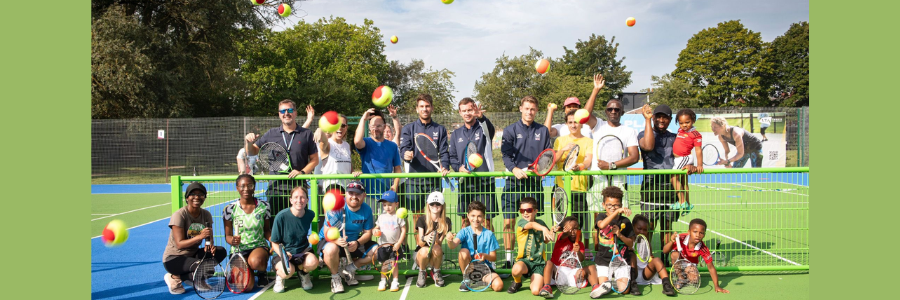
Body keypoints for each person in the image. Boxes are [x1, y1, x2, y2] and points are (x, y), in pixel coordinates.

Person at [637, 103, 698, 267]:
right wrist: (647, 120)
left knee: (666, 227)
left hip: (670, 190)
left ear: (670, 120)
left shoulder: (676, 137)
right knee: (648, 227)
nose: (661, 120)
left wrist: (691, 165)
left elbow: (685, 157)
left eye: (665, 117)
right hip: (651, 188)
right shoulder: (644, 133)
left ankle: (665, 259)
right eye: (658, 116)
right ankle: (646, 260)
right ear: (654, 117)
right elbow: (648, 146)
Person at [582, 75, 640, 245]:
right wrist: (596, 89)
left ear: (621, 112)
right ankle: (597, 251)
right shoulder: (598, 125)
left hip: (618, 180)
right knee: (598, 217)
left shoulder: (628, 131)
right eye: (610, 109)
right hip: (598, 178)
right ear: (606, 111)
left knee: (619, 217)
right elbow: (584, 115)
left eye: (617, 110)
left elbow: (634, 157)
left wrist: (611, 165)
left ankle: (619, 250)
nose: (613, 112)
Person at [500, 95, 552, 272]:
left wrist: (540, 169)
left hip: (534, 184)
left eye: (533, 109)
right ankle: (508, 259)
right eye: (526, 108)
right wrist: (514, 169)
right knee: (509, 223)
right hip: (513, 183)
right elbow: (505, 156)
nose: (529, 112)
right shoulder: (510, 130)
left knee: (533, 223)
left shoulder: (543, 131)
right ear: (521, 108)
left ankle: (533, 259)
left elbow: (547, 155)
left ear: (536, 111)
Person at [244, 99, 319, 214]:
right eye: (282, 111)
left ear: (295, 113)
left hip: (298, 190)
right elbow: (252, 152)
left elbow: (315, 160)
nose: (286, 113)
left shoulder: (306, 134)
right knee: (276, 226)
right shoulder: (271, 133)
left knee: (299, 227)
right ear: (279, 114)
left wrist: (302, 173)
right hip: (276, 190)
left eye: (289, 110)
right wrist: (249, 142)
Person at [162, 182, 227, 294]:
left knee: (220, 251)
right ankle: (174, 277)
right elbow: (179, 244)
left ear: (204, 198)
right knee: (206, 268)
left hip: (192, 254)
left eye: (200, 194)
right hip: (175, 257)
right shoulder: (180, 215)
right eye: (193, 194)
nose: (197, 197)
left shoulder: (206, 214)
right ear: (187, 198)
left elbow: (209, 237)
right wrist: (200, 237)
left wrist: (210, 246)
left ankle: (196, 278)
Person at [400, 94, 451, 225]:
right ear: (417, 109)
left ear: (432, 108)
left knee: (435, 215)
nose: (425, 109)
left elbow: (444, 152)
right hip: (414, 180)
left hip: (434, 180)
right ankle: (420, 245)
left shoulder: (440, 129)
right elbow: (403, 149)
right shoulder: (408, 129)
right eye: (421, 106)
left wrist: (444, 166)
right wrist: (406, 154)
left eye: (427, 106)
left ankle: (434, 244)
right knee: (417, 217)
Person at [318, 180, 378, 293]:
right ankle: (335, 278)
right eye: (351, 193)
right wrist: (336, 240)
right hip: (331, 241)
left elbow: (368, 233)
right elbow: (327, 232)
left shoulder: (367, 209)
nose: (354, 197)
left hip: (353, 242)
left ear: (364, 195)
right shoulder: (337, 207)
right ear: (346, 194)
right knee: (331, 249)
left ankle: (349, 270)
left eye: (358, 194)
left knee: (377, 252)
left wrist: (357, 243)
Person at [448, 97, 496, 230]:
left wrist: (482, 118)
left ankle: (488, 250)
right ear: (460, 112)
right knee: (465, 221)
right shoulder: (456, 134)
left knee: (486, 221)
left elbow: (490, 131)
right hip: (465, 183)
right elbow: (452, 156)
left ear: (474, 110)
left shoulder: (483, 129)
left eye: (470, 110)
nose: (467, 113)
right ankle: (467, 250)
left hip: (484, 182)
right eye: (464, 110)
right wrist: (459, 168)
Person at [552, 109, 594, 249]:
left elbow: (588, 161)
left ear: (581, 124)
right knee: (560, 226)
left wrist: (580, 166)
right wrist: (563, 149)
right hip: (561, 191)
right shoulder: (560, 140)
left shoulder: (588, 141)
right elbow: (554, 160)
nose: (573, 125)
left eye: (576, 122)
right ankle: (561, 252)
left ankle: (578, 253)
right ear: (566, 124)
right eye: (570, 122)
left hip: (579, 190)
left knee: (577, 226)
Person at [223, 174, 273, 287]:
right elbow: (228, 235)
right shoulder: (230, 209)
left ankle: (261, 272)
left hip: (258, 246)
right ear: (237, 188)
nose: (246, 189)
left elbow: (266, 230)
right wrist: (232, 240)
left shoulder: (264, 206)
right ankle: (246, 268)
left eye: (249, 185)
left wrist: (273, 242)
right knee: (245, 287)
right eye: (242, 186)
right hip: (239, 250)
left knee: (255, 261)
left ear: (254, 187)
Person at [447, 200, 504, 292]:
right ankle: (466, 278)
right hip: (469, 266)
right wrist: (449, 240)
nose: (476, 219)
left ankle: (480, 278)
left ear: (483, 217)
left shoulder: (489, 234)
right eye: (473, 215)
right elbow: (453, 245)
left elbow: (493, 257)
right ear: (468, 216)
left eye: (479, 216)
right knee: (463, 252)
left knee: (499, 286)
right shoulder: (464, 231)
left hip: (484, 268)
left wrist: (485, 256)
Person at [589, 186, 635, 298]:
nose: (613, 208)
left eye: (616, 205)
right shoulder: (601, 216)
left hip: (621, 260)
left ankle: (615, 278)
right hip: (603, 260)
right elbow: (601, 225)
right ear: (603, 205)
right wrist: (617, 212)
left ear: (621, 205)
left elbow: (631, 244)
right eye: (609, 205)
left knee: (624, 290)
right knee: (604, 286)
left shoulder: (626, 221)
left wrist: (619, 235)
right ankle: (607, 281)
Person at [271, 185, 319, 293]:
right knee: (287, 271)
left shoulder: (310, 214)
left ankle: (303, 273)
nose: (299, 200)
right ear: (291, 200)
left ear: (307, 200)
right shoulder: (281, 216)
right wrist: (283, 254)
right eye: (296, 197)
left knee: (313, 262)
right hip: (284, 252)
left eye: (302, 197)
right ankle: (280, 277)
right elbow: (274, 243)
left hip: (302, 251)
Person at [662, 218, 730, 294]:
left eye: (701, 233)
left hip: (690, 265)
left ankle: (686, 276)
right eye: (695, 232)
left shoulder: (703, 249)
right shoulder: (680, 238)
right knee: (674, 254)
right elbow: (665, 251)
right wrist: (672, 241)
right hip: (678, 261)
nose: (698, 235)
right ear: (689, 232)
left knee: (694, 280)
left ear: (704, 234)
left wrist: (717, 286)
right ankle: (680, 278)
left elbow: (711, 268)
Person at [354, 108, 403, 209]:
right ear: (369, 127)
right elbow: (357, 141)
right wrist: (363, 119)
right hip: (368, 195)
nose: (375, 129)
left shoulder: (392, 146)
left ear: (384, 127)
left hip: (386, 196)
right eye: (372, 126)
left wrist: (395, 185)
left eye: (379, 126)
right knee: (370, 225)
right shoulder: (366, 143)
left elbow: (397, 168)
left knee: (387, 224)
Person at [506, 197, 554, 295]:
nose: (525, 213)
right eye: (522, 210)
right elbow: (531, 225)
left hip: (538, 263)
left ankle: (538, 279)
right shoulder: (521, 223)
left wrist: (552, 232)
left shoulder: (541, 223)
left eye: (529, 210)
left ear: (535, 211)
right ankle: (517, 282)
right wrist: (544, 228)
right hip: (524, 261)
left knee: (536, 291)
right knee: (516, 270)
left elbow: (546, 240)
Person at [540, 216, 595, 298]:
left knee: (591, 267)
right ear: (565, 230)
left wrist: (578, 252)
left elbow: (581, 259)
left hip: (572, 273)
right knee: (549, 262)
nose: (573, 232)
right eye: (570, 229)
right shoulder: (561, 238)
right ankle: (547, 286)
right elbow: (563, 234)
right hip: (557, 272)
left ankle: (595, 287)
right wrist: (564, 230)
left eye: (575, 228)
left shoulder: (580, 244)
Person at [629, 214, 676, 296]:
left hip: (645, 273)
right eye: (639, 228)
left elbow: (649, 257)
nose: (642, 232)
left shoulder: (646, 242)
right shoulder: (628, 241)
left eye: (645, 230)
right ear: (633, 227)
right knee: (632, 255)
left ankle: (667, 285)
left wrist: (651, 258)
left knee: (657, 259)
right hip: (632, 274)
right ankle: (633, 285)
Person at [414, 191, 453, 288]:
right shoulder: (422, 219)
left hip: (436, 255)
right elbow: (420, 243)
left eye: (438, 204)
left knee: (437, 248)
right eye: (432, 203)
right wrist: (426, 238)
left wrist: (437, 239)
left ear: (442, 205)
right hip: (421, 255)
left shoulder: (446, 221)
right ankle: (422, 272)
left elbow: (439, 245)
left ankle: (436, 271)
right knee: (424, 250)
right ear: (428, 205)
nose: (435, 206)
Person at [371, 190, 407, 292]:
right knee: (384, 264)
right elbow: (376, 227)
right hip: (382, 245)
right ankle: (383, 280)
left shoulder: (399, 216)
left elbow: (404, 230)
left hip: (394, 246)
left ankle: (395, 281)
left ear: (396, 204)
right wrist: (375, 231)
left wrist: (399, 243)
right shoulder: (381, 216)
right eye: (384, 205)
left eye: (390, 205)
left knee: (393, 263)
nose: (387, 207)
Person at [671, 109, 704, 213]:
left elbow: (698, 150)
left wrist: (699, 165)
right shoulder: (680, 130)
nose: (684, 125)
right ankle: (688, 204)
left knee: (673, 178)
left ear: (693, 121)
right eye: (681, 123)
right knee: (684, 182)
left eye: (687, 122)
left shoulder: (695, 134)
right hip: (678, 159)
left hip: (684, 158)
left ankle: (681, 201)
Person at [317, 113, 353, 192]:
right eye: (337, 125)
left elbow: (350, 168)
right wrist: (320, 130)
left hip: (346, 187)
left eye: (343, 125)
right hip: (332, 186)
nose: (340, 128)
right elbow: (323, 142)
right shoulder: (329, 143)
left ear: (346, 127)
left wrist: (355, 174)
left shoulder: (347, 145)